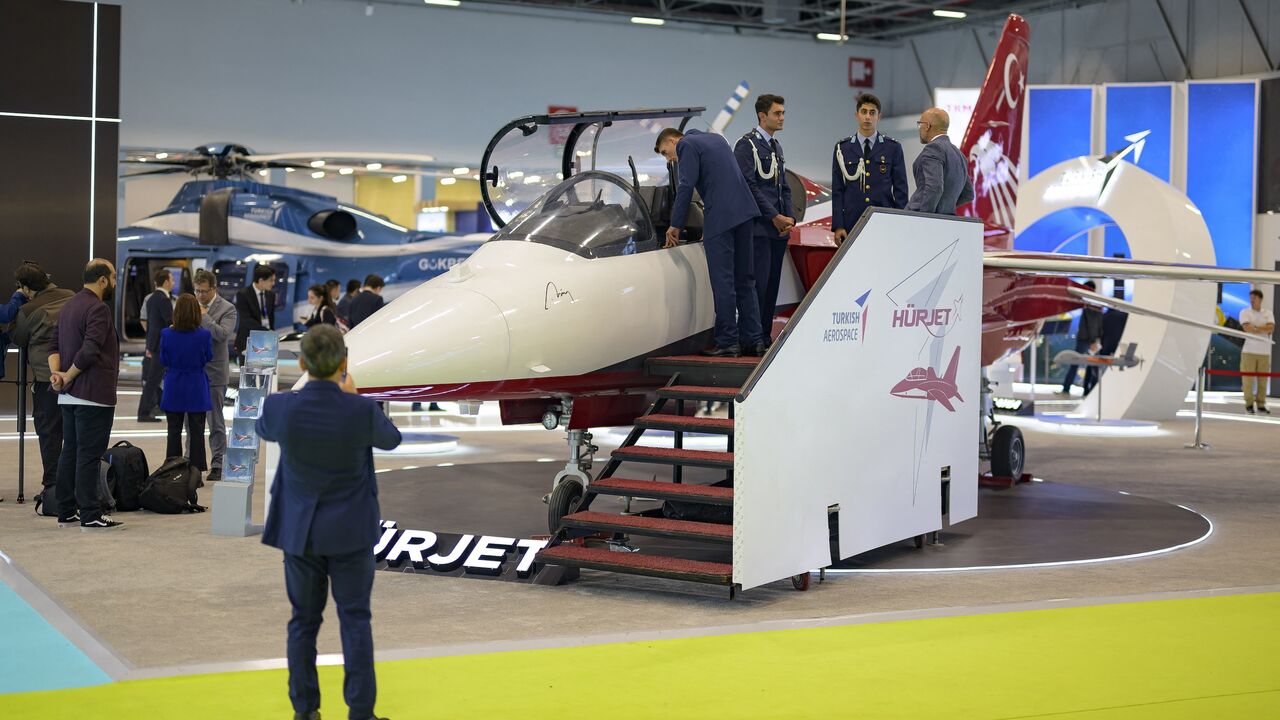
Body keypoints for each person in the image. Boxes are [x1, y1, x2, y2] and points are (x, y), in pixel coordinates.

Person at [258, 325, 401, 720]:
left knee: (302, 622)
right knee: (355, 619)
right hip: (351, 532)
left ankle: (305, 711)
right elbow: (393, 440)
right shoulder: (359, 411)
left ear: (301, 363)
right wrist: (353, 395)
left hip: (298, 532)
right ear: (344, 364)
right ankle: (360, 712)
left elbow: (262, 428)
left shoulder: (280, 408)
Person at [655, 127, 763, 357]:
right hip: (745, 213)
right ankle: (754, 341)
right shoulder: (716, 138)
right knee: (745, 280)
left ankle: (727, 343)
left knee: (723, 282)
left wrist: (675, 225)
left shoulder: (686, 145)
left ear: (674, 140)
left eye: (666, 152)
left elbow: (685, 186)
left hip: (721, 217)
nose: (669, 158)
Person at [48, 259, 122, 531]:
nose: (115, 282)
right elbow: (90, 350)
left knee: (70, 452)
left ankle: (66, 510)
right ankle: (90, 513)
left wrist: (58, 375)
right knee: (89, 455)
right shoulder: (98, 308)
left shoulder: (68, 306)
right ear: (102, 280)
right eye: (113, 277)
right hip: (93, 394)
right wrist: (67, 376)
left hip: (68, 395)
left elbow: (53, 345)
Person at [9, 263, 74, 514]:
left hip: (47, 379)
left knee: (49, 434)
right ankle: (72, 486)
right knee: (73, 433)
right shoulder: (71, 297)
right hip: (73, 375)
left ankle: (53, 489)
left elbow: (19, 338)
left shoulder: (28, 309)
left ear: (26, 288)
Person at [733, 93, 794, 347]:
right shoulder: (746, 145)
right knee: (756, 285)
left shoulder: (775, 147)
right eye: (777, 113)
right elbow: (748, 185)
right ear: (762, 115)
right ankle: (752, 337)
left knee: (771, 287)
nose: (782, 118)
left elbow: (784, 186)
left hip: (779, 229)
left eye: (782, 113)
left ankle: (765, 336)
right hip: (760, 228)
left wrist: (789, 217)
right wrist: (774, 216)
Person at [831, 92, 908, 244]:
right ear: (857, 115)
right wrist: (838, 225)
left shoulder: (892, 148)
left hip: (883, 220)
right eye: (864, 112)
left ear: (879, 116)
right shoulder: (842, 148)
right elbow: (838, 190)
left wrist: (901, 221)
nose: (868, 117)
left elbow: (901, 189)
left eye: (872, 113)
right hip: (851, 221)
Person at [160, 294, 213, 477]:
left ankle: (171, 470)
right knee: (197, 432)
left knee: (173, 431)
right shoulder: (204, 335)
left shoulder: (166, 334)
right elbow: (208, 357)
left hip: (174, 384)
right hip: (196, 384)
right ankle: (196, 472)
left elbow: (163, 359)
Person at [194, 270, 238, 482]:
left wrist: (204, 316)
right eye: (197, 291)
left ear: (214, 289)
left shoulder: (228, 309)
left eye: (204, 291)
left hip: (215, 373)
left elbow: (222, 335)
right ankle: (191, 463)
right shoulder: (190, 303)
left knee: (215, 422)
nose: (200, 295)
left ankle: (218, 463)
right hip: (193, 372)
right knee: (191, 422)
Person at [906, 107, 975, 215]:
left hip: (918, 218)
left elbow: (935, 187)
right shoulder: (959, 155)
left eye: (920, 124)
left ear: (927, 126)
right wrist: (945, 207)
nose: (919, 128)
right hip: (946, 219)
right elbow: (968, 194)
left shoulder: (933, 148)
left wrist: (924, 216)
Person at [138, 269, 174, 422]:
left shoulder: (152, 298)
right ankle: (144, 412)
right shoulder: (164, 300)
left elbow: (152, 324)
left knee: (153, 380)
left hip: (153, 344)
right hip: (161, 346)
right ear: (166, 282)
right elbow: (169, 322)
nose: (173, 283)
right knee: (153, 381)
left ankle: (147, 410)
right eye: (172, 280)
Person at [1059, 281, 1104, 395]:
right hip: (1088, 339)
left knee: (1082, 363)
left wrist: (1094, 340)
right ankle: (1083, 390)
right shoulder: (1095, 303)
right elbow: (1097, 323)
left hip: (1087, 339)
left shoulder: (1092, 304)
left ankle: (1074, 389)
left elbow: (1094, 324)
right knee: (1086, 364)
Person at [1240, 288, 1275, 415]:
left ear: (1260, 299)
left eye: (1254, 298)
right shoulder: (1245, 312)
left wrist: (1255, 328)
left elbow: (1271, 327)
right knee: (1247, 380)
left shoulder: (1268, 313)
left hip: (1264, 352)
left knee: (1263, 380)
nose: (1252, 300)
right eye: (1251, 298)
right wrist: (1262, 329)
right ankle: (1249, 404)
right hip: (1249, 351)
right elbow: (1247, 328)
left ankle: (1261, 404)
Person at [234, 264, 277, 362]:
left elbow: (271, 318)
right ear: (261, 280)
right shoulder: (243, 294)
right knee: (248, 375)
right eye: (271, 280)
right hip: (248, 339)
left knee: (266, 374)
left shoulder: (271, 295)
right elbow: (246, 319)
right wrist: (266, 331)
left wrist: (272, 336)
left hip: (266, 342)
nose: (273, 283)